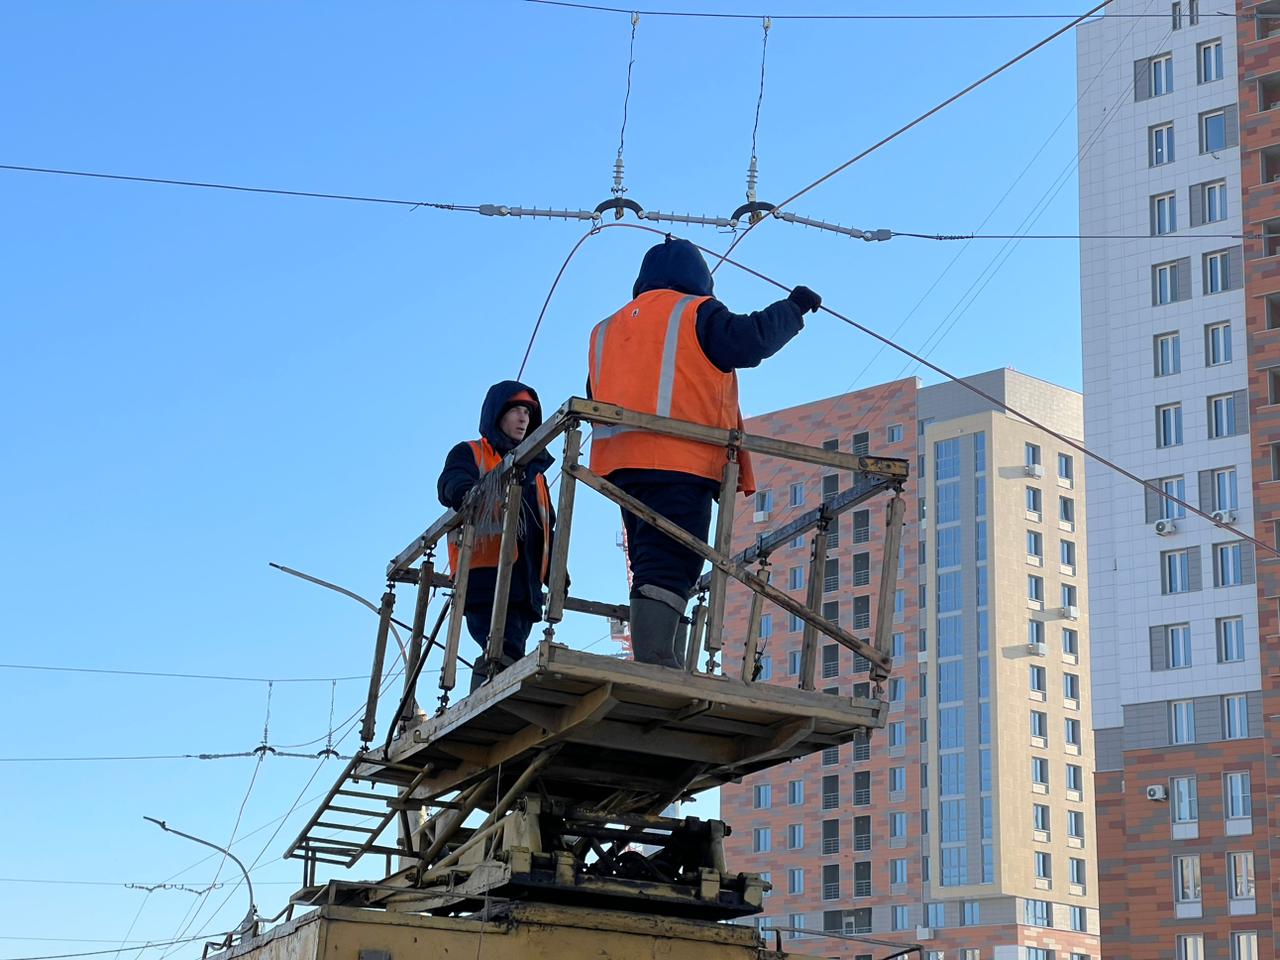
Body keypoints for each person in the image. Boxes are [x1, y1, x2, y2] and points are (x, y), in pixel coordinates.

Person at [587, 236, 821, 667]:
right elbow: (750, 341)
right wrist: (793, 309)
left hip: (620, 467)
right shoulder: (693, 312)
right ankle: (658, 661)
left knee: (649, 560)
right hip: (679, 461)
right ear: (698, 278)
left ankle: (662, 658)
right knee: (673, 561)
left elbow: (595, 392)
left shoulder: (606, 330)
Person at [437, 380, 555, 691]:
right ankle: (487, 697)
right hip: (484, 580)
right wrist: (467, 493)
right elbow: (451, 483)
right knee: (502, 648)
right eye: (515, 410)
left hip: (525, 585)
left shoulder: (536, 474)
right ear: (496, 415)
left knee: (507, 651)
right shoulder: (471, 453)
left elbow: (546, 528)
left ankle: (489, 693)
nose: (523, 419)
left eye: (528, 413)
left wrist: (556, 571)